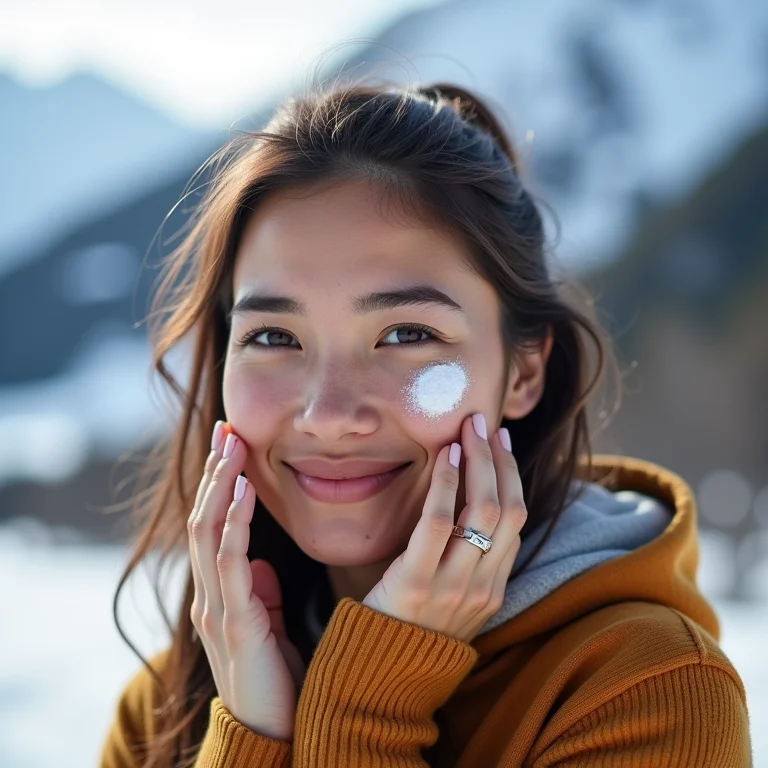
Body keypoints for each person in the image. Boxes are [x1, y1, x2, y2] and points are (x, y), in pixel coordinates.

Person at [98, 80, 752, 768]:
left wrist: (365, 706)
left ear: (524, 372)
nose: (328, 416)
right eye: (273, 338)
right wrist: (251, 736)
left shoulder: (649, 692)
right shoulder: (166, 709)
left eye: (406, 332)